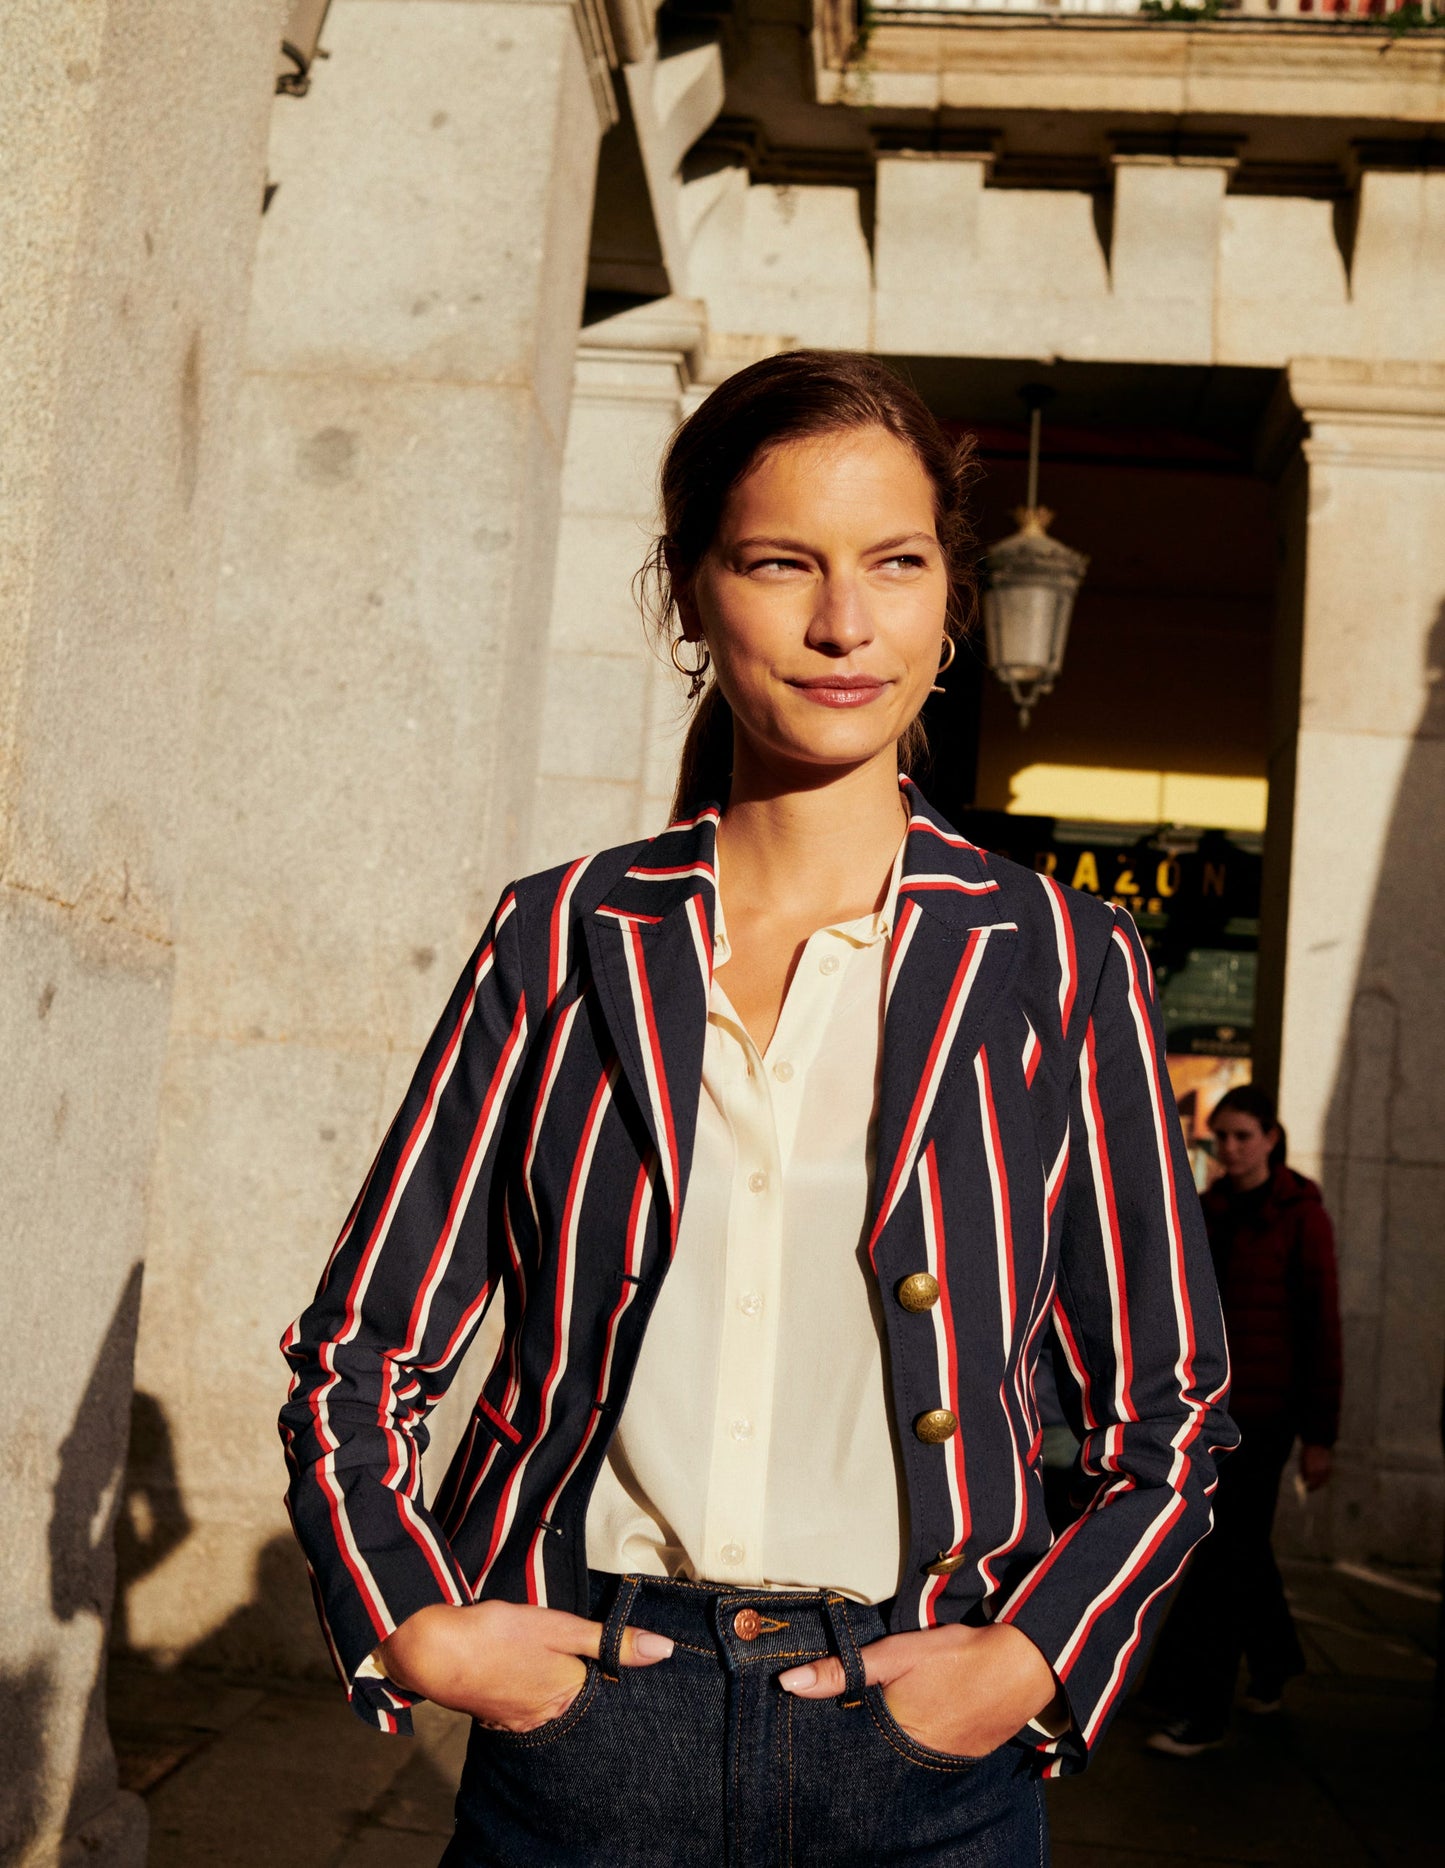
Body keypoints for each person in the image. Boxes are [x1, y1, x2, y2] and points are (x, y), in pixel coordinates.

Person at [279, 350, 1237, 1866]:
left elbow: (1167, 1410)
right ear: (689, 591)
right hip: (586, 1729)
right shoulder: (561, 936)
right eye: (782, 562)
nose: (844, 624)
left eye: (895, 563)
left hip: (923, 1749)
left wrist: (1034, 1658)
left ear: (949, 597)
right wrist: (415, 1621)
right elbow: (359, 1353)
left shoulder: (1057, 957)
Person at [1145, 1083, 1342, 1757]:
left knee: (1223, 1554)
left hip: (1268, 1417)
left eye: (1241, 1136)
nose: (1228, 1149)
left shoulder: (1302, 1216)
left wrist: (1320, 1437)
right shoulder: (1207, 1211)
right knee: (1242, 1547)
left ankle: (1201, 1710)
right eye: (1220, 1137)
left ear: (1270, 1139)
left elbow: (1322, 1329)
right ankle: (1277, 1660)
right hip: (1209, 1412)